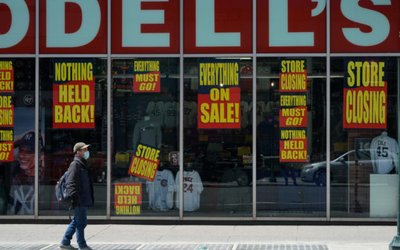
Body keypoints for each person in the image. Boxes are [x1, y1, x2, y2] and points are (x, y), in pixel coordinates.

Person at [60, 142, 94, 250]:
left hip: (82, 198)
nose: (86, 152)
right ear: (78, 152)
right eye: (84, 150)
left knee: (77, 221)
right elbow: (70, 182)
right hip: (79, 199)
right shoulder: (75, 164)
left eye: (86, 150)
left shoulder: (82, 164)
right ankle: (82, 245)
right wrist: (75, 198)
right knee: (81, 223)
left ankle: (65, 242)